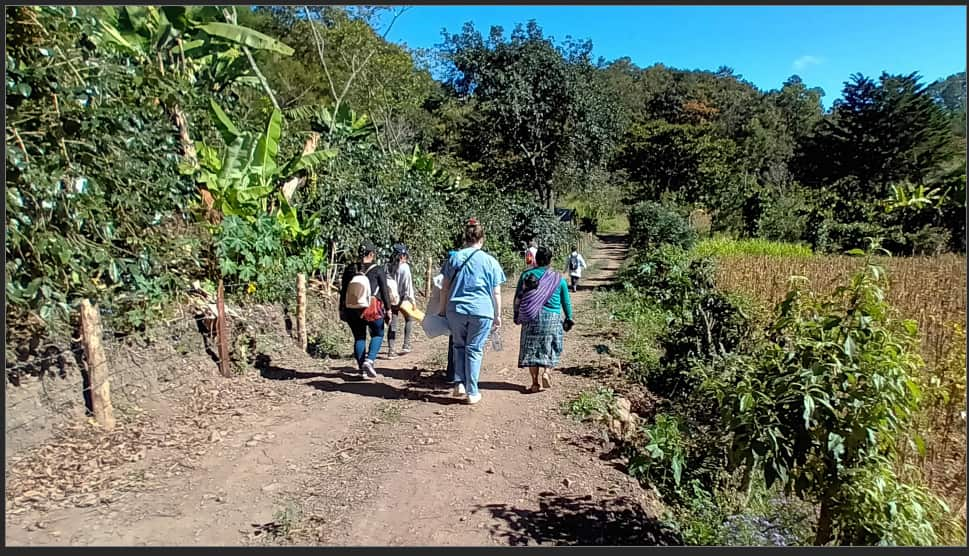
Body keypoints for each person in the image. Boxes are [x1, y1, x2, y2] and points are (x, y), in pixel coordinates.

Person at [438, 219, 506, 405]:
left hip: (456, 309)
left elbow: (444, 287)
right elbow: (496, 291)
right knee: (474, 349)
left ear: (466, 238)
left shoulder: (454, 258)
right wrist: (497, 314)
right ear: (482, 238)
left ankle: (459, 383)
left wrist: (443, 309)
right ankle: (472, 391)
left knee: (458, 346)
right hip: (482, 310)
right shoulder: (490, 261)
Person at [514, 246, 573, 393]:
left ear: (536, 259)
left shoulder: (526, 275)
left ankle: (534, 383)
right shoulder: (558, 279)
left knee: (531, 349)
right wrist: (569, 317)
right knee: (551, 346)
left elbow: (518, 297)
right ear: (550, 260)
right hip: (552, 318)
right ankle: (547, 372)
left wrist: (516, 315)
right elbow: (566, 301)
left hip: (531, 317)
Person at [339, 241, 393, 379]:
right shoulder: (378, 269)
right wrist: (388, 309)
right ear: (371, 254)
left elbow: (343, 290)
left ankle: (362, 370)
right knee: (378, 334)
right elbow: (385, 291)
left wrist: (342, 308)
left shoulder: (350, 269)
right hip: (371, 308)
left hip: (351, 308)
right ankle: (369, 361)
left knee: (359, 337)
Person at [427, 249, 459, 383]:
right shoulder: (463, 273)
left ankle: (452, 374)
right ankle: (461, 376)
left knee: (454, 343)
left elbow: (440, 294)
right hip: (466, 310)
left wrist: (442, 311)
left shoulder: (445, 275)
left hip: (453, 312)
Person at [385, 243, 417, 359]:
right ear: (402, 255)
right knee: (409, 318)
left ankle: (391, 351)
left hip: (391, 298)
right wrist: (413, 301)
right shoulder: (405, 268)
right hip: (402, 298)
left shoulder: (387, 266)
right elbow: (408, 286)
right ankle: (406, 345)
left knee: (393, 322)